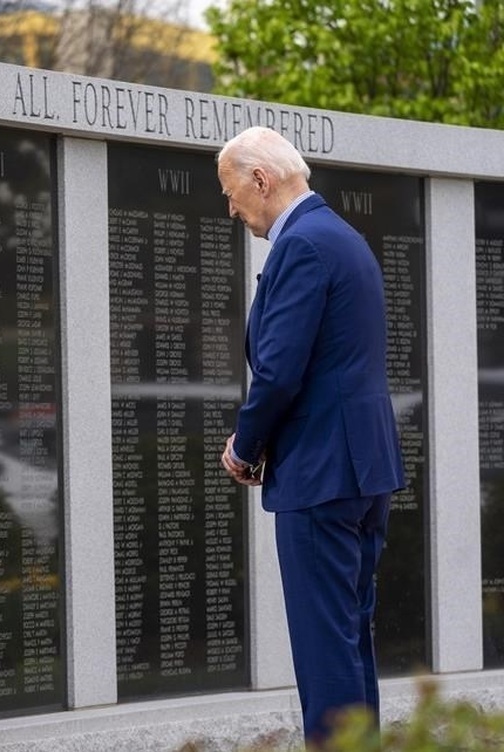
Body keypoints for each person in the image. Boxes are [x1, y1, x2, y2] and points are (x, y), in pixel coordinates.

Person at [216, 126, 406, 747]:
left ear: (260, 180)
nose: (231, 207)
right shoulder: (345, 238)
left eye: (231, 191)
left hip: (320, 474)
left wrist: (244, 447)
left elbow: (278, 369)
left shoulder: (301, 246)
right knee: (349, 638)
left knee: (326, 648)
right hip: (363, 470)